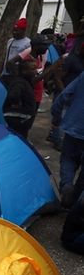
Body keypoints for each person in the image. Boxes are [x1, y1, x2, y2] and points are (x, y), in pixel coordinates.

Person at [52, 69, 84, 208]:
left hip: (74, 126)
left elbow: (65, 94)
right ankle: (76, 199)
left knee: (68, 159)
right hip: (75, 126)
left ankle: (66, 186)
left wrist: (56, 115)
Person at [3, 60, 37, 138]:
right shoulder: (20, 83)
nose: (35, 71)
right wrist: (17, 104)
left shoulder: (25, 82)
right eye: (33, 69)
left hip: (22, 118)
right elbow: (13, 96)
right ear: (24, 71)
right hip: (18, 118)